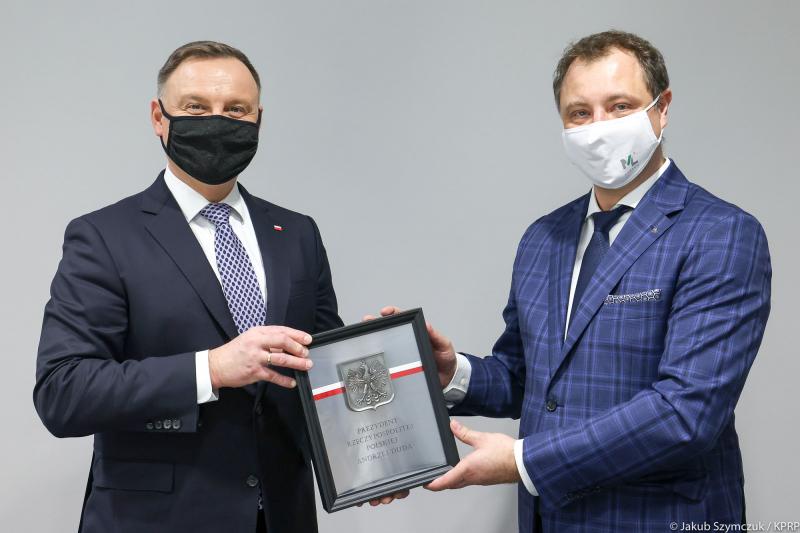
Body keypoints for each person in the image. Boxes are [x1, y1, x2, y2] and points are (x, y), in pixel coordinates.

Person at [373, 30, 771, 532]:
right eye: (579, 113)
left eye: (620, 106)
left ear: (662, 108)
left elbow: (685, 413)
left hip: (657, 519)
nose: (598, 127)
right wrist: (453, 373)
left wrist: (523, 461)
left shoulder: (720, 233)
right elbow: (530, 380)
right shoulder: (544, 238)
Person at [34, 41, 344, 533]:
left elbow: (322, 371)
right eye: (196, 108)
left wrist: (375, 456)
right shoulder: (104, 237)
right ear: (159, 118)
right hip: (156, 521)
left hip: (283, 518)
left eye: (236, 110)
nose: (217, 122)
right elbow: (63, 392)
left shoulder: (297, 233)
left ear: (258, 120)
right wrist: (211, 369)